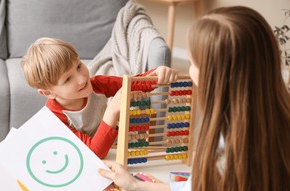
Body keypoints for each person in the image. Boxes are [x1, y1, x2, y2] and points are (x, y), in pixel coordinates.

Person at [31, 6, 290, 191]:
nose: (188, 70)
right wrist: (136, 185)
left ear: (216, 76)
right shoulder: (265, 121)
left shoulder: (227, 151)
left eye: (192, 63)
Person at [21, 37, 178, 159]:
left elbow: (134, 84)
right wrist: (112, 112)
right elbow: (93, 154)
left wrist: (157, 74)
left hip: (112, 151)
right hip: (84, 160)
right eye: (68, 79)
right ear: (49, 93)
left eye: (78, 66)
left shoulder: (98, 85)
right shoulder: (55, 119)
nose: (82, 78)